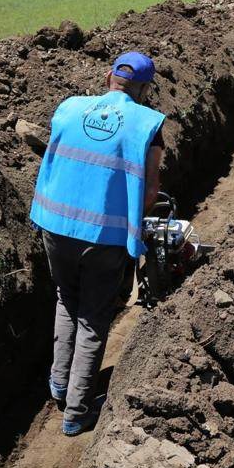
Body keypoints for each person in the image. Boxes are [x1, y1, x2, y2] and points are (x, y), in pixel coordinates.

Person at [29, 51, 166, 436]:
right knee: (93, 316)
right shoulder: (148, 125)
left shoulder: (70, 107)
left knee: (66, 298)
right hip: (103, 237)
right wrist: (131, 221)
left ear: (108, 77)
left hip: (54, 225)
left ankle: (59, 384)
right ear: (143, 89)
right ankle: (77, 411)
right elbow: (151, 188)